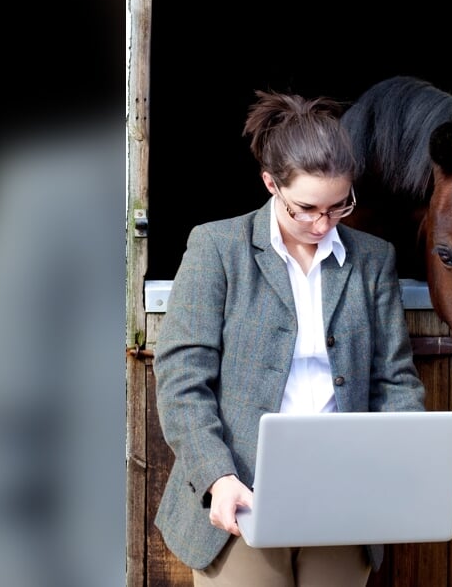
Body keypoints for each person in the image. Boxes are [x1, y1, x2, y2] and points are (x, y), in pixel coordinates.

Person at [153, 89, 427, 586]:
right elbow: (181, 380)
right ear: (270, 184)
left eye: (338, 206)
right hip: (242, 498)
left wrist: (400, 463)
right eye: (306, 208)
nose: (322, 224)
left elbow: (395, 379)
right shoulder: (216, 247)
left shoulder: (374, 258)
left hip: (344, 500)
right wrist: (218, 476)